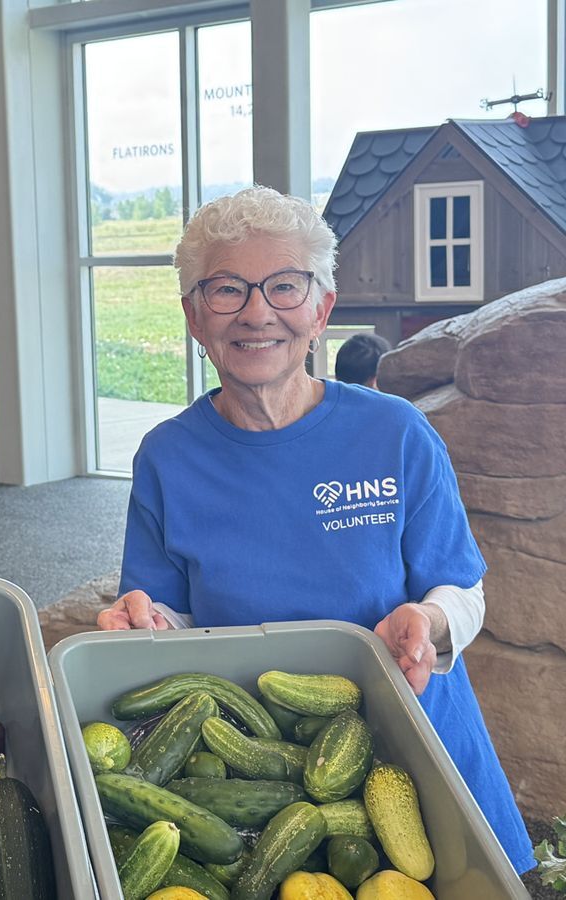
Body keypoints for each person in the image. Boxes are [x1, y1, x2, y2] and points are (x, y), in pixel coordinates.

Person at [98, 186, 533, 874]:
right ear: (192, 316)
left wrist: (429, 618)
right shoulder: (167, 456)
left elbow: (464, 588)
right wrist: (144, 622)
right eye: (226, 290)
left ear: (322, 308)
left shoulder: (396, 434)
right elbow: (168, 618)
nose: (256, 312)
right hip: (263, 779)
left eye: (285, 286)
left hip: (415, 741)